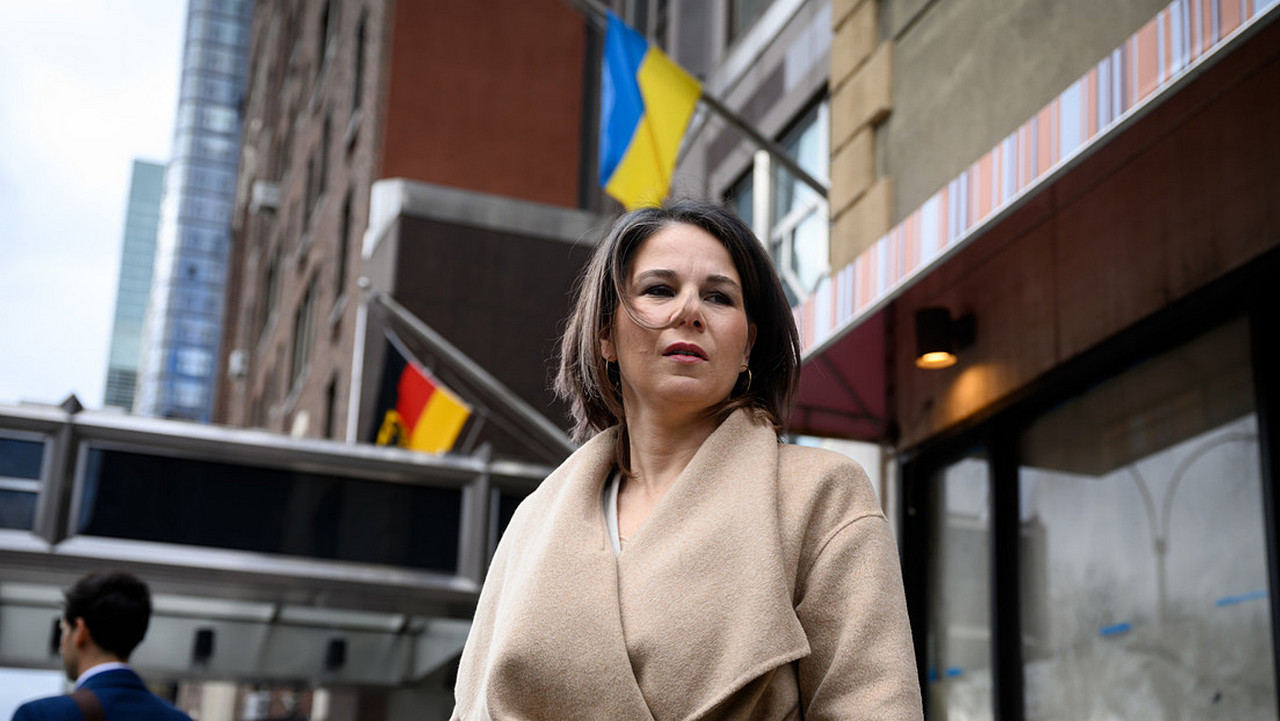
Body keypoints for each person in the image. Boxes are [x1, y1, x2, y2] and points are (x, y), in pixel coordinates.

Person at [450, 200, 923, 719]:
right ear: (606, 335)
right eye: (660, 290)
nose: (690, 312)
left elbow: (873, 705)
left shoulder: (820, 495)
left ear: (747, 348)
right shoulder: (534, 522)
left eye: (719, 297)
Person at [12, 571, 192, 721]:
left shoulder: (40, 715)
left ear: (80, 631)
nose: (61, 647)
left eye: (64, 630)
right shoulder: (179, 719)